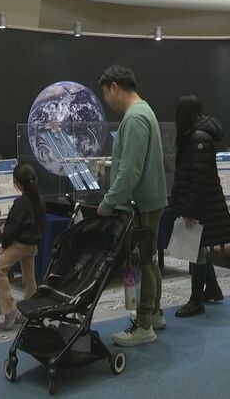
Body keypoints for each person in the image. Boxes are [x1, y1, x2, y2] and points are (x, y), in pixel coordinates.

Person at [96, 65, 167, 347]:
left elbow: (130, 171)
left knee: (144, 262)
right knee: (149, 259)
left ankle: (144, 324)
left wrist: (108, 202)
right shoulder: (143, 112)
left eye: (105, 93)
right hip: (147, 202)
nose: (105, 100)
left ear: (115, 87)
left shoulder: (135, 118)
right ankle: (156, 313)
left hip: (140, 205)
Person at [170, 95, 230, 318]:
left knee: (195, 248)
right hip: (203, 203)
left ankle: (196, 300)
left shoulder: (198, 138)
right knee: (198, 246)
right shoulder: (200, 136)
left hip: (199, 204)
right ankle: (213, 289)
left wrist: (189, 210)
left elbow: (198, 178)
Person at [0, 163, 46, 330]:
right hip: (33, 245)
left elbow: (12, 227)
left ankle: (9, 308)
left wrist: (4, 245)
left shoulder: (20, 202)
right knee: (29, 278)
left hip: (19, 244)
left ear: (17, 183)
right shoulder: (39, 199)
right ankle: (29, 311)